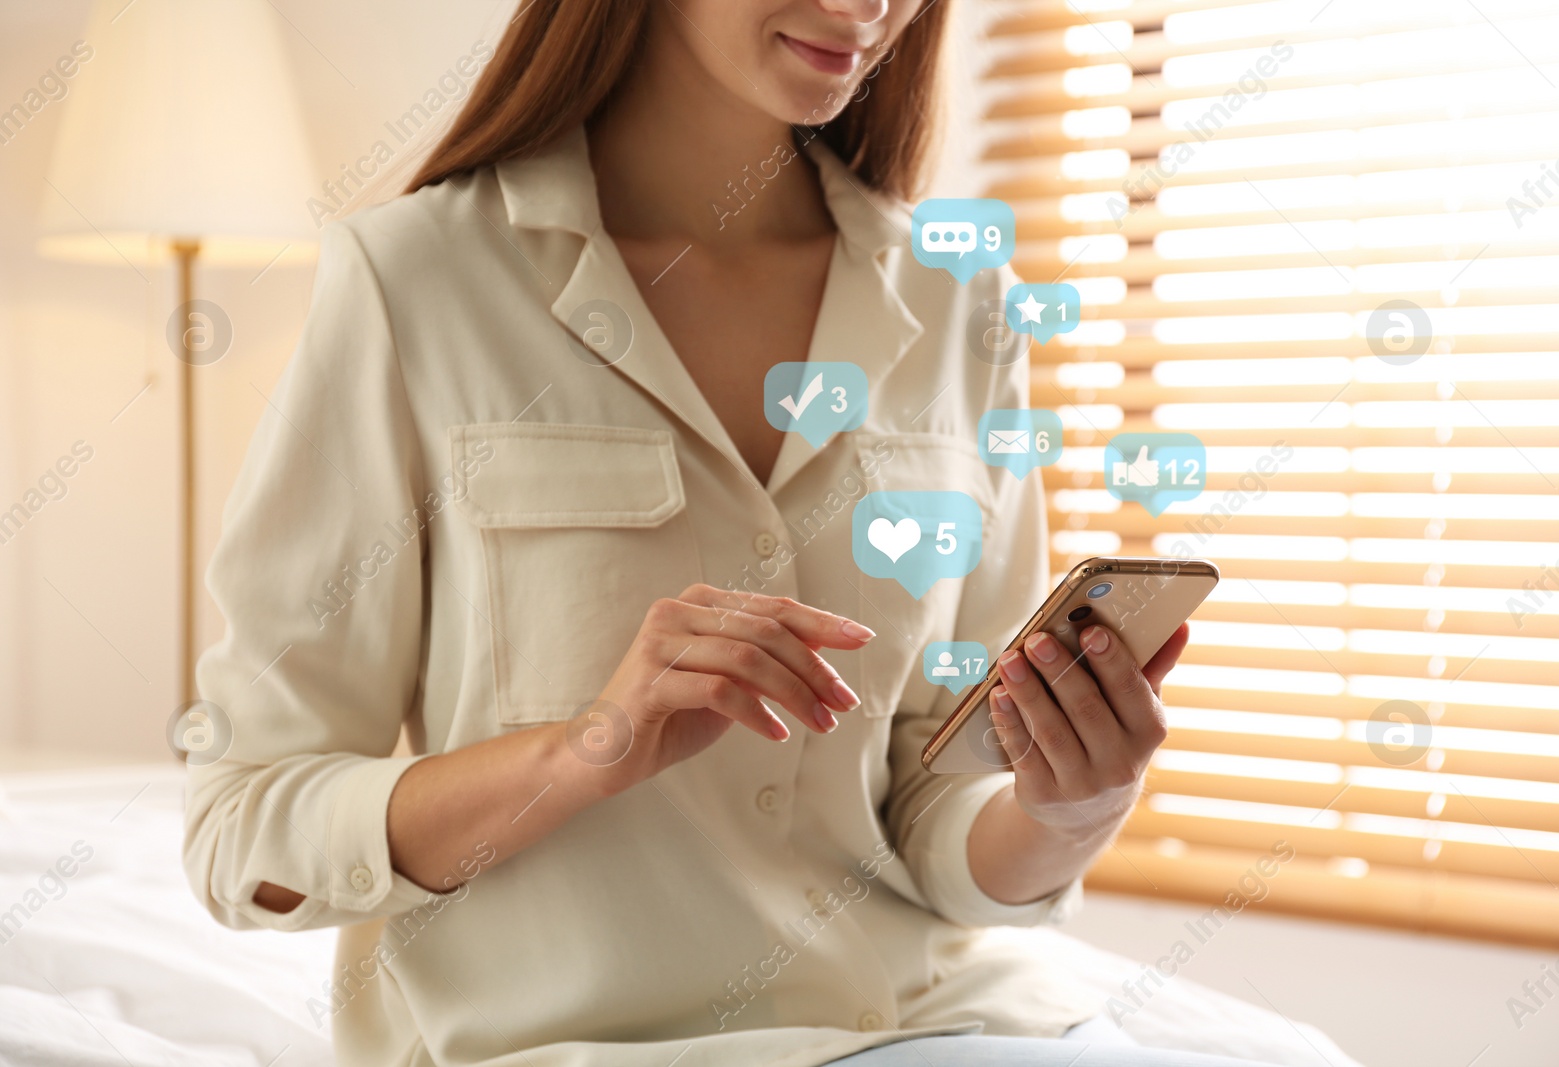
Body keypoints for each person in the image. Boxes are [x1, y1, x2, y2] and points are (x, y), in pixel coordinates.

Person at [183, 1, 1295, 1065]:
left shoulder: (965, 304)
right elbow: (242, 829)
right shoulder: (416, 282)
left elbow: (932, 806)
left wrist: (1070, 802)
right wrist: (584, 748)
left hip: (948, 1022)